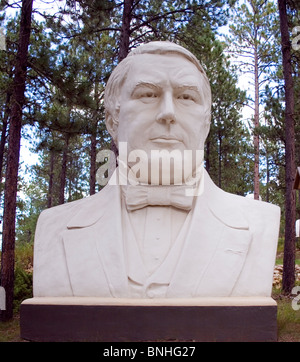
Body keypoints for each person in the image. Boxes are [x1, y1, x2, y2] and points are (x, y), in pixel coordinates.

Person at [33, 41, 280, 299]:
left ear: (205, 124)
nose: (168, 113)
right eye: (148, 94)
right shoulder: (55, 227)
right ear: (112, 121)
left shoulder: (259, 223)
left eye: (186, 97)